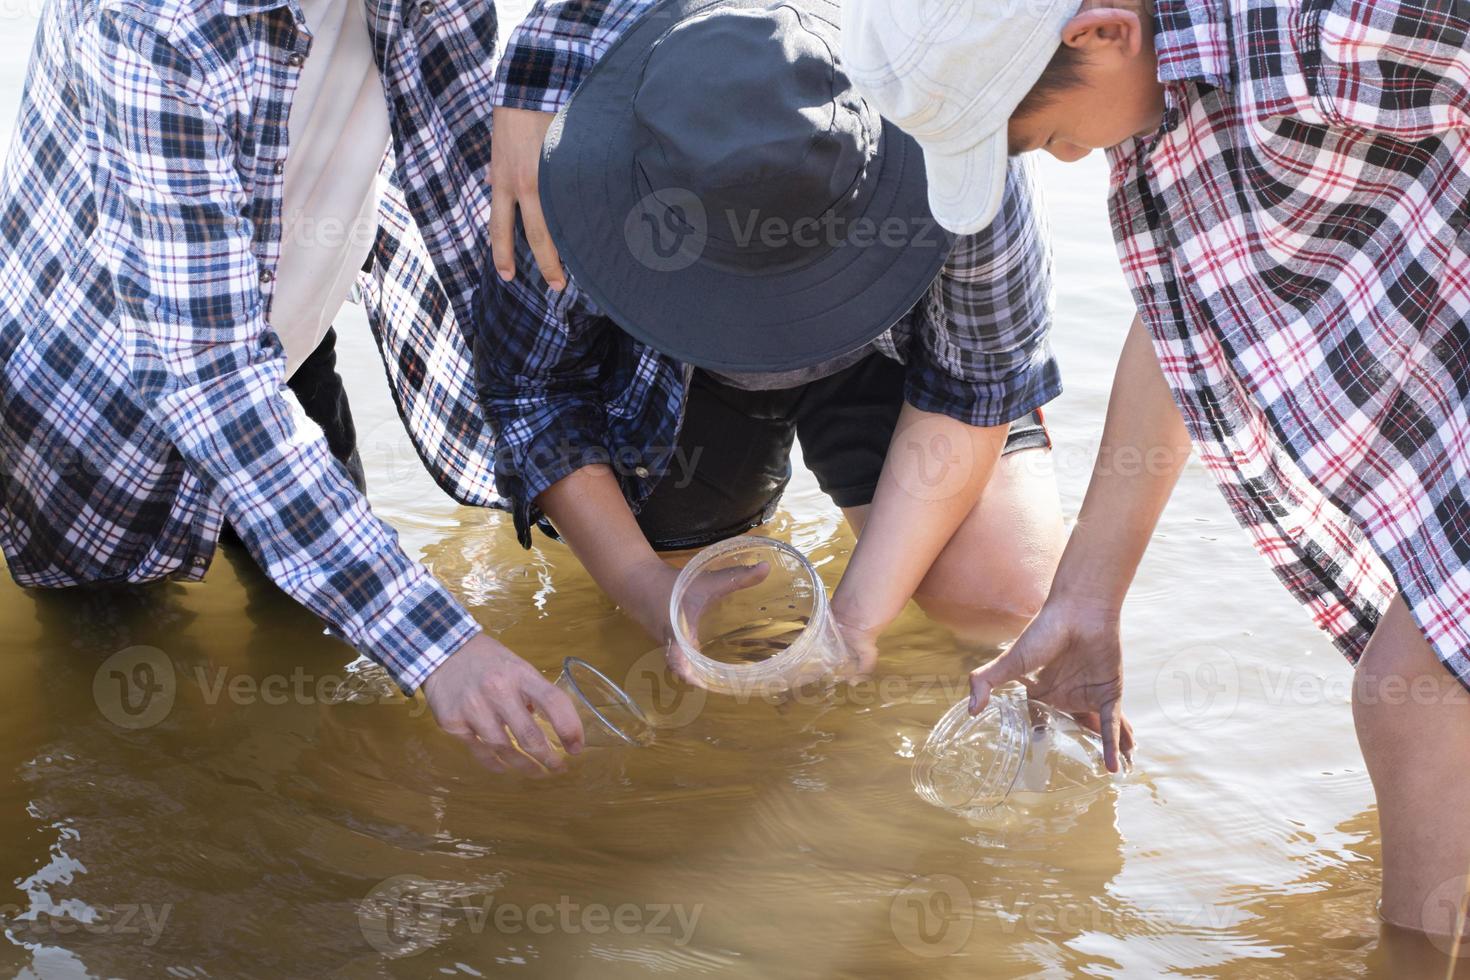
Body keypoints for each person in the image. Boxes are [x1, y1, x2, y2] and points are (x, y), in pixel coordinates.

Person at [843, 0, 1469, 943]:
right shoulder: (1157, 104)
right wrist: (1086, 593)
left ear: (1102, 34)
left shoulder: (1338, 23)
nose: (1058, 160)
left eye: (1045, 137)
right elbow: (1188, 312)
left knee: (1411, 703)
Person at [0, 0, 627, 773]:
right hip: (98, 412)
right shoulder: (150, 18)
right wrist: (444, 647)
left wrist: (634, 570)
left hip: (291, 335)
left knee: (325, 668)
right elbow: (208, 375)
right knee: (133, 728)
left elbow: (480, 211)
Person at [473, 0, 1067, 681]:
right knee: (700, 633)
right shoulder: (559, 162)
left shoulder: (964, 141)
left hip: (892, 358)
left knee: (1001, 602)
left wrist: (854, 622)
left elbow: (975, 385)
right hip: (679, 381)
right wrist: (643, 585)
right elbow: (533, 390)